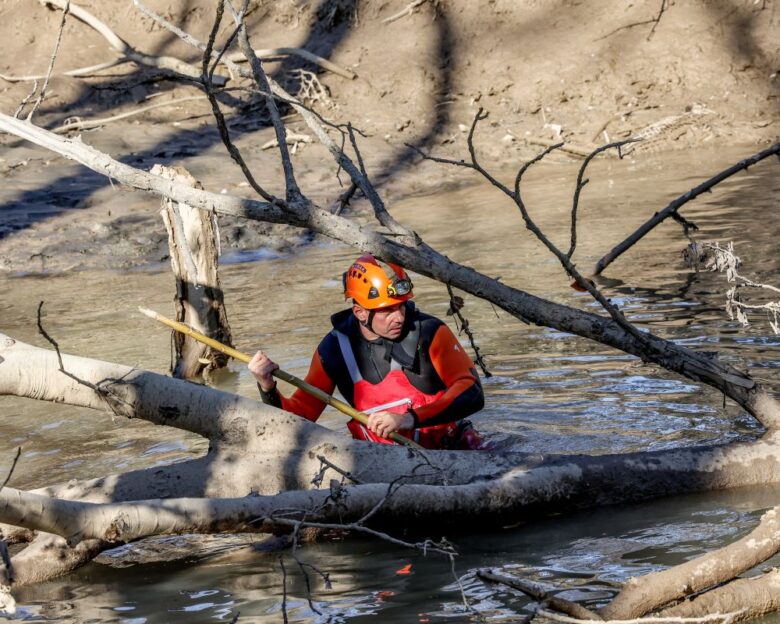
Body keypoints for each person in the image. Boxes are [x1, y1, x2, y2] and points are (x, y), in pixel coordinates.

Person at [248, 255, 485, 450]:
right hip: (381, 459)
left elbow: (472, 392)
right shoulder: (332, 350)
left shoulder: (430, 332)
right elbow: (298, 419)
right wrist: (268, 387)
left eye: (401, 306)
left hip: (451, 450)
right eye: (387, 310)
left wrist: (407, 419)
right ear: (360, 312)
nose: (400, 317)